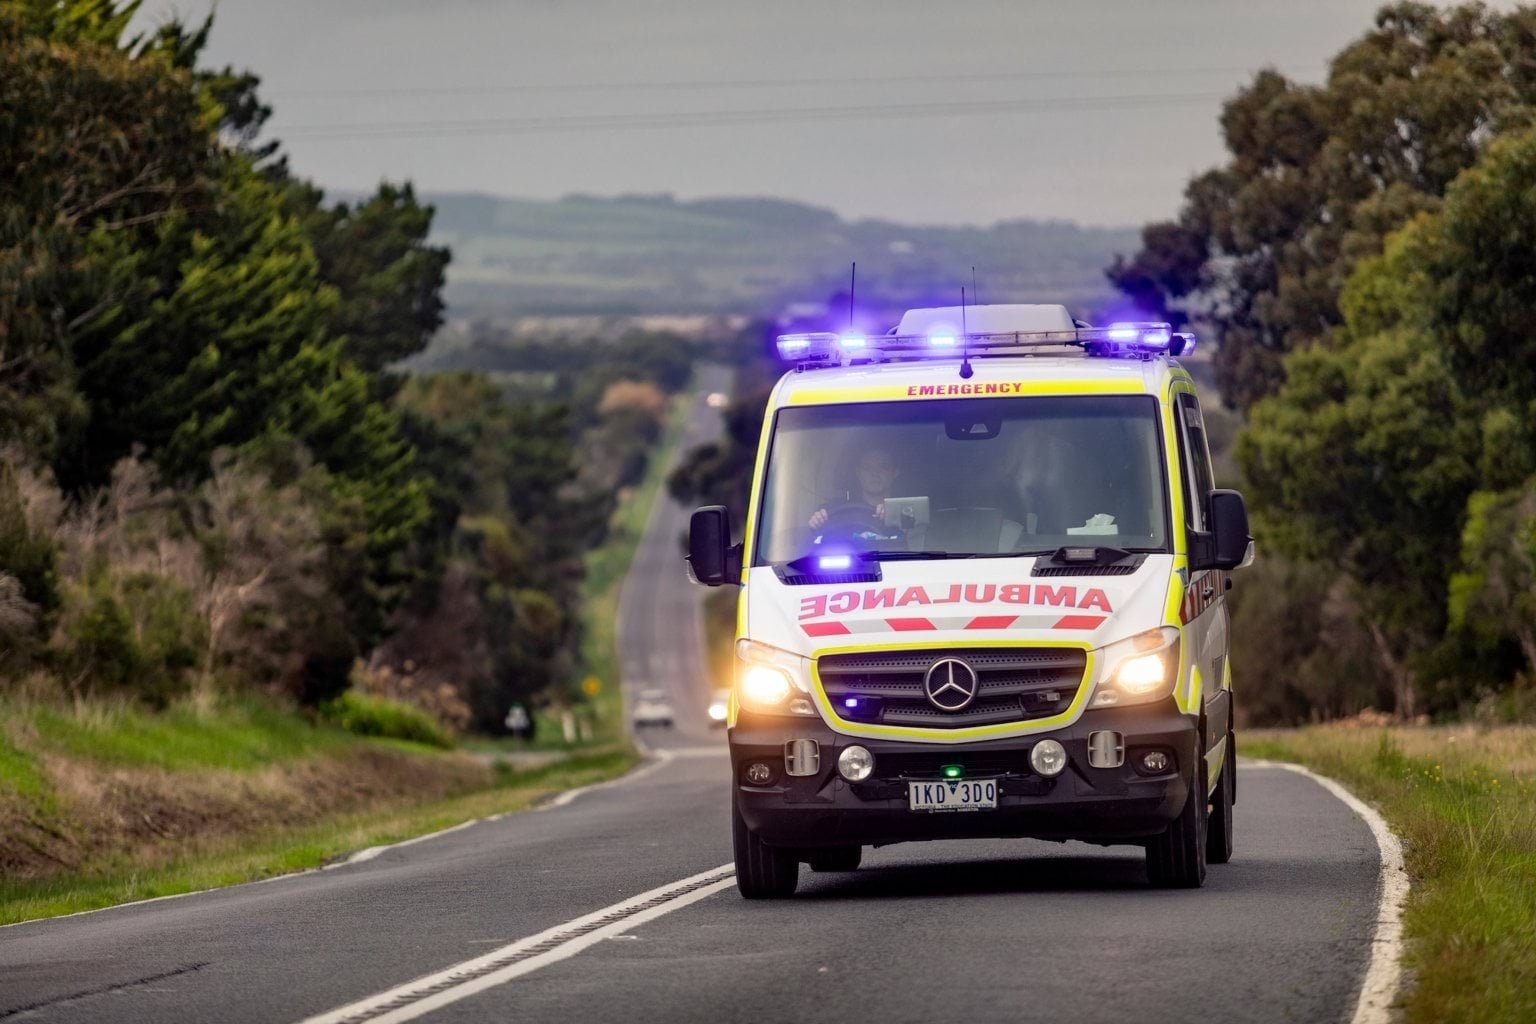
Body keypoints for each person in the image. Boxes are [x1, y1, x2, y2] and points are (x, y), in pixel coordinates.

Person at [808, 447, 900, 529]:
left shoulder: (907, 511)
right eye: (867, 467)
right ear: (858, 473)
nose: (874, 473)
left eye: (883, 467)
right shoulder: (837, 510)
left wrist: (895, 514)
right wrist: (817, 521)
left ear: (895, 472)